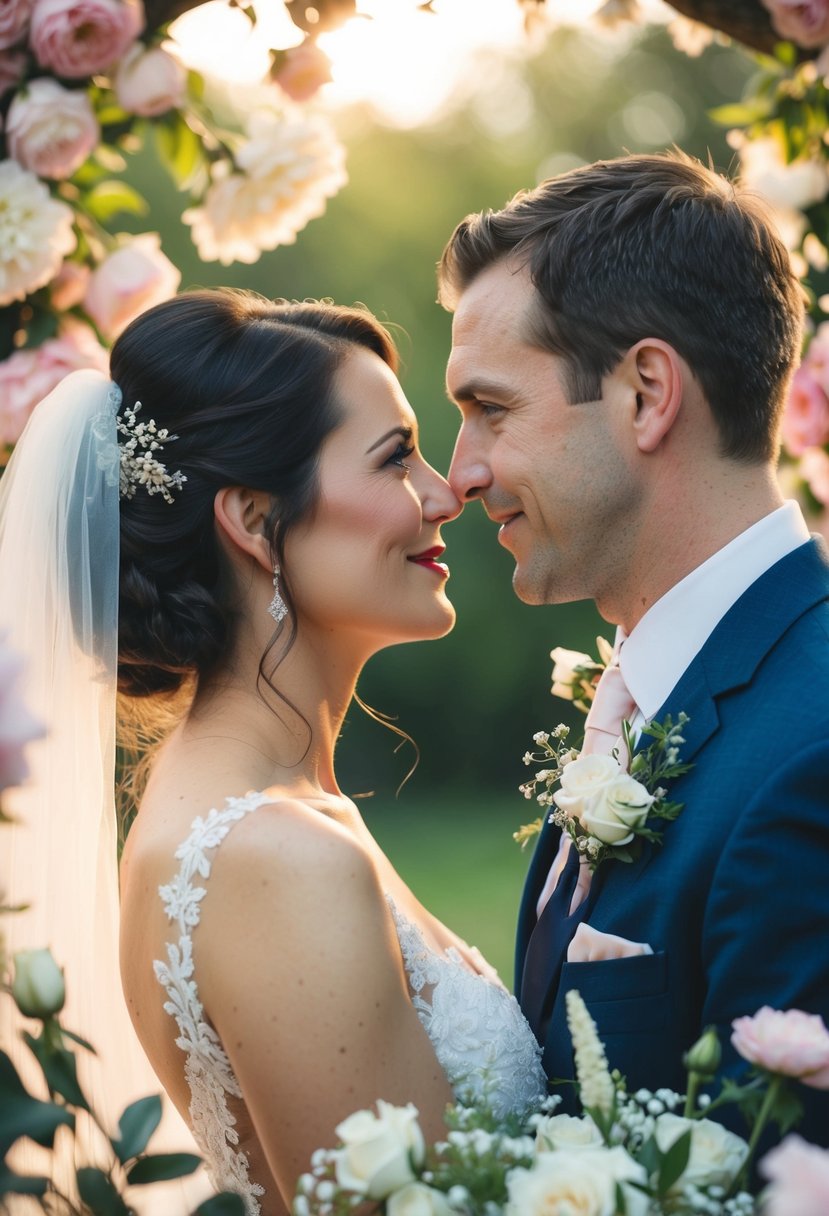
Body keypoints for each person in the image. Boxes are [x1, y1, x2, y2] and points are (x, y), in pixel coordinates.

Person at [0, 290, 546, 1215]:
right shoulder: (273, 857)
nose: (446, 493)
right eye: (393, 457)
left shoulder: (263, 806)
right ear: (255, 520)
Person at [438, 151, 829, 1144]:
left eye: (491, 410)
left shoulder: (813, 738)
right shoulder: (649, 694)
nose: (460, 475)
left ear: (647, 394)